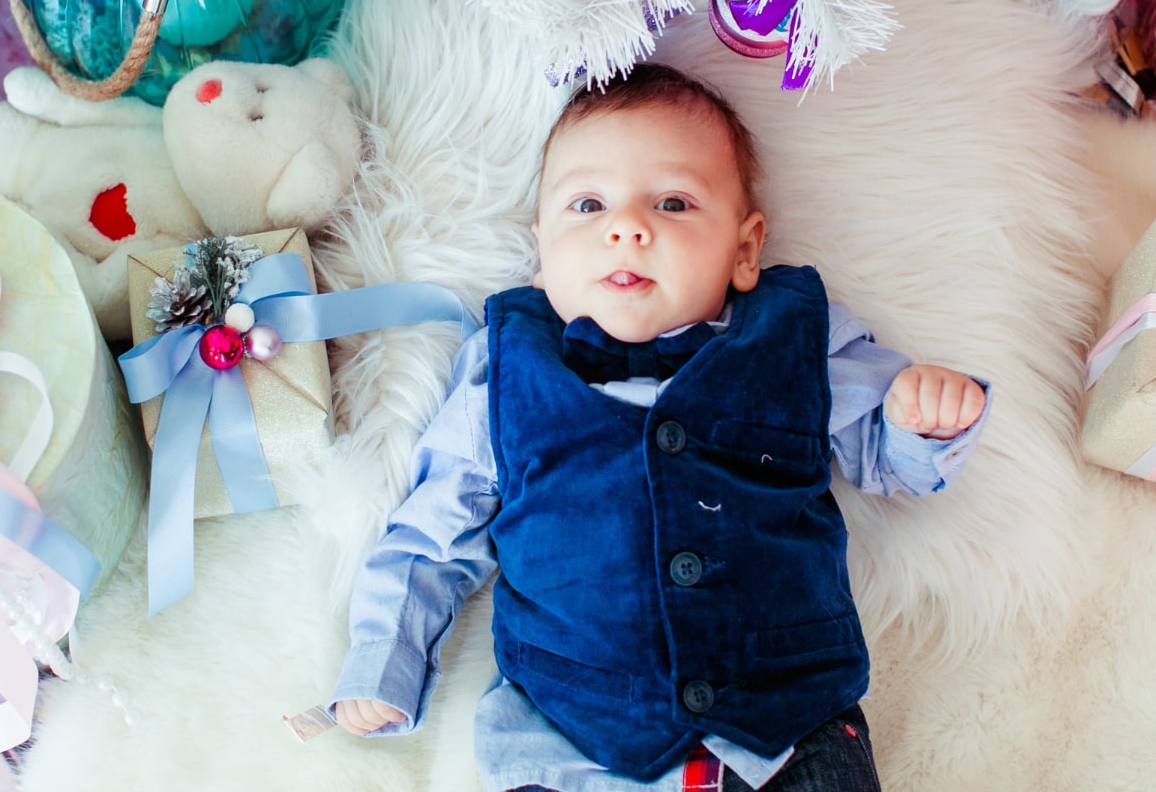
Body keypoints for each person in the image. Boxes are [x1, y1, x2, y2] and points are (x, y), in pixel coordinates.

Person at [328, 63, 990, 791]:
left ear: (744, 250)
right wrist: (382, 660)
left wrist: (916, 420)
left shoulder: (797, 339)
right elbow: (430, 531)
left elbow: (884, 456)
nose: (628, 227)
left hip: (786, 733)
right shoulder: (507, 371)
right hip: (569, 741)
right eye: (588, 204)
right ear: (541, 251)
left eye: (672, 202)